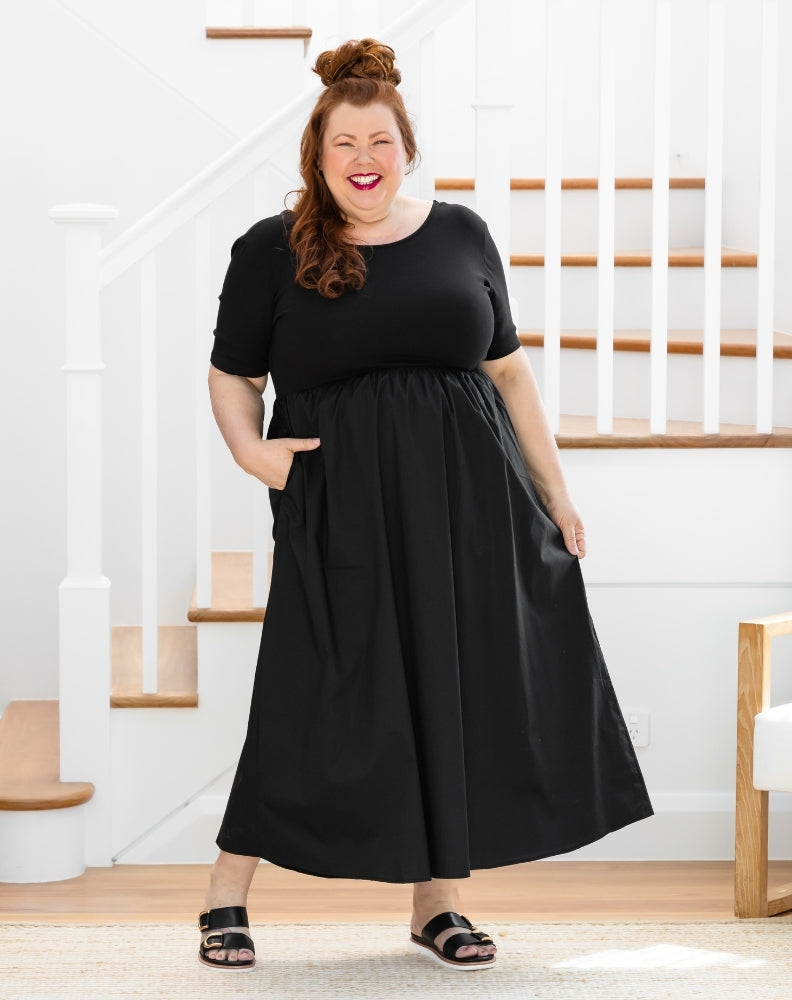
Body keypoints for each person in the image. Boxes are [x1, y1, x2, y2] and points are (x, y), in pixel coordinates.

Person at [199, 38, 653, 972]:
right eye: (344, 143)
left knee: (456, 686)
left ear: (407, 149)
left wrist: (556, 494)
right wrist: (252, 454)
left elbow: (510, 375)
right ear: (318, 156)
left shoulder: (461, 233)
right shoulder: (270, 249)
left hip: (471, 500)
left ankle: (436, 904)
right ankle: (225, 893)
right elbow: (233, 375)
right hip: (341, 501)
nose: (363, 159)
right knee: (308, 688)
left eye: (381, 141)